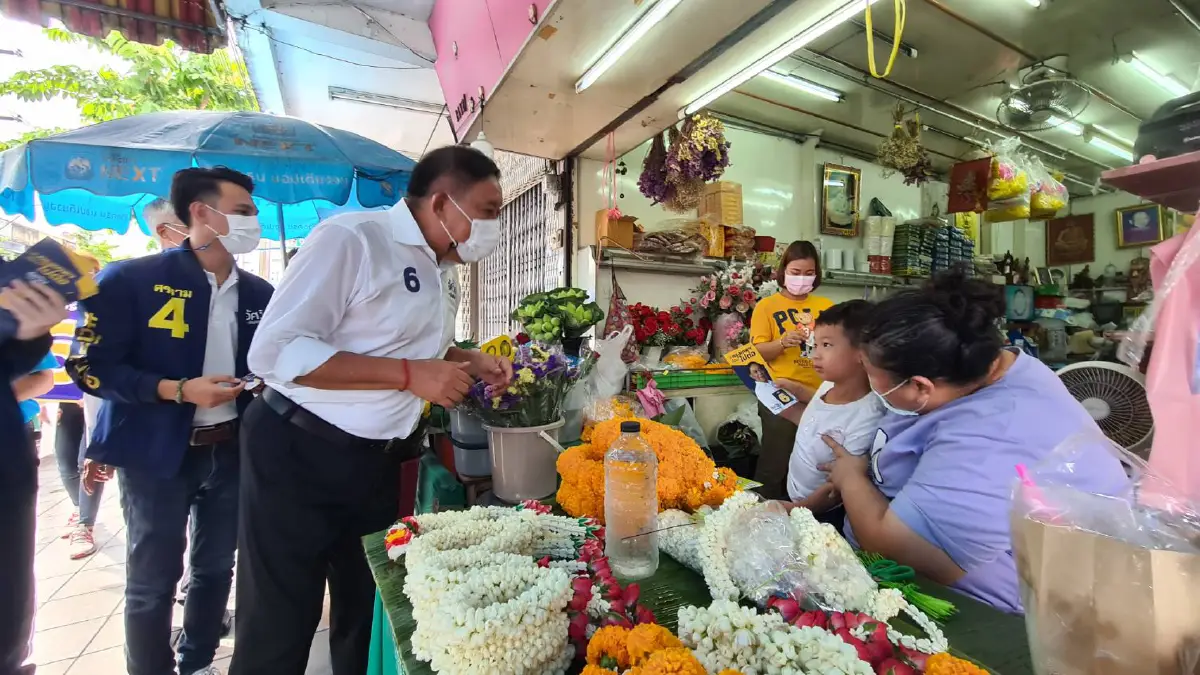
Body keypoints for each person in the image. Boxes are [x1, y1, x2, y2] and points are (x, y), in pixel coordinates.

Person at [234, 145, 511, 675]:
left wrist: (467, 359)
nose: (494, 226)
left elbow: (403, 345)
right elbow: (275, 351)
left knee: (368, 608)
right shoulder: (354, 239)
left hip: (376, 465)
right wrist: (411, 376)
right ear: (441, 203)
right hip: (298, 451)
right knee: (280, 618)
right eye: (489, 211)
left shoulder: (441, 267)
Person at [821, 270, 1129, 613]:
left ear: (921, 387)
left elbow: (891, 543)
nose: (866, 380)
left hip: (1010, 611)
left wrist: (851, 477)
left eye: (868, 371)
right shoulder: (988, 367)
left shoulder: (994, 434)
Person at [67, 166, 273, 675]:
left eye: (254, 212)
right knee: (152, 579)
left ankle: (197, 660)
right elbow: (89, 367)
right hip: (155, 454)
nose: (254, 222)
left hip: (230, 449)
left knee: (214, 570)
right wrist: (177, 390)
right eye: (244, 211)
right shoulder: (131, 280)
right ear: (202, 213)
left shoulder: (260, 294)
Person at [1, 279, 69, 675]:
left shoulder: (8, 286)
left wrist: (33, 332)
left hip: (8, 454)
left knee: (9, 591)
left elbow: (41, 372)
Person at [778, 300, 884, 531]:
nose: (816, 355)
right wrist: (790, 394)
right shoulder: (827, 386)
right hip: (795, 495)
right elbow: (817, 418)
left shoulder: (867, 417)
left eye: (826, 345)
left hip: (823, 514)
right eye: (815, 345)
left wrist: (797, 509)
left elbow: (837, 488)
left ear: (862, 353)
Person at [748, 240, 833, 499]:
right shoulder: (767, 306)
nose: (802, 279)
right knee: (776, 462)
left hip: (819, 396)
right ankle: (764, 514)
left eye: (808, 273)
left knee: (814, 463)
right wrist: (783, 342)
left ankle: (810, 518)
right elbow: (757, 352)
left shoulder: (826, 307)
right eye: (796, 272)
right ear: (783, 271)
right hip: (779, 396)